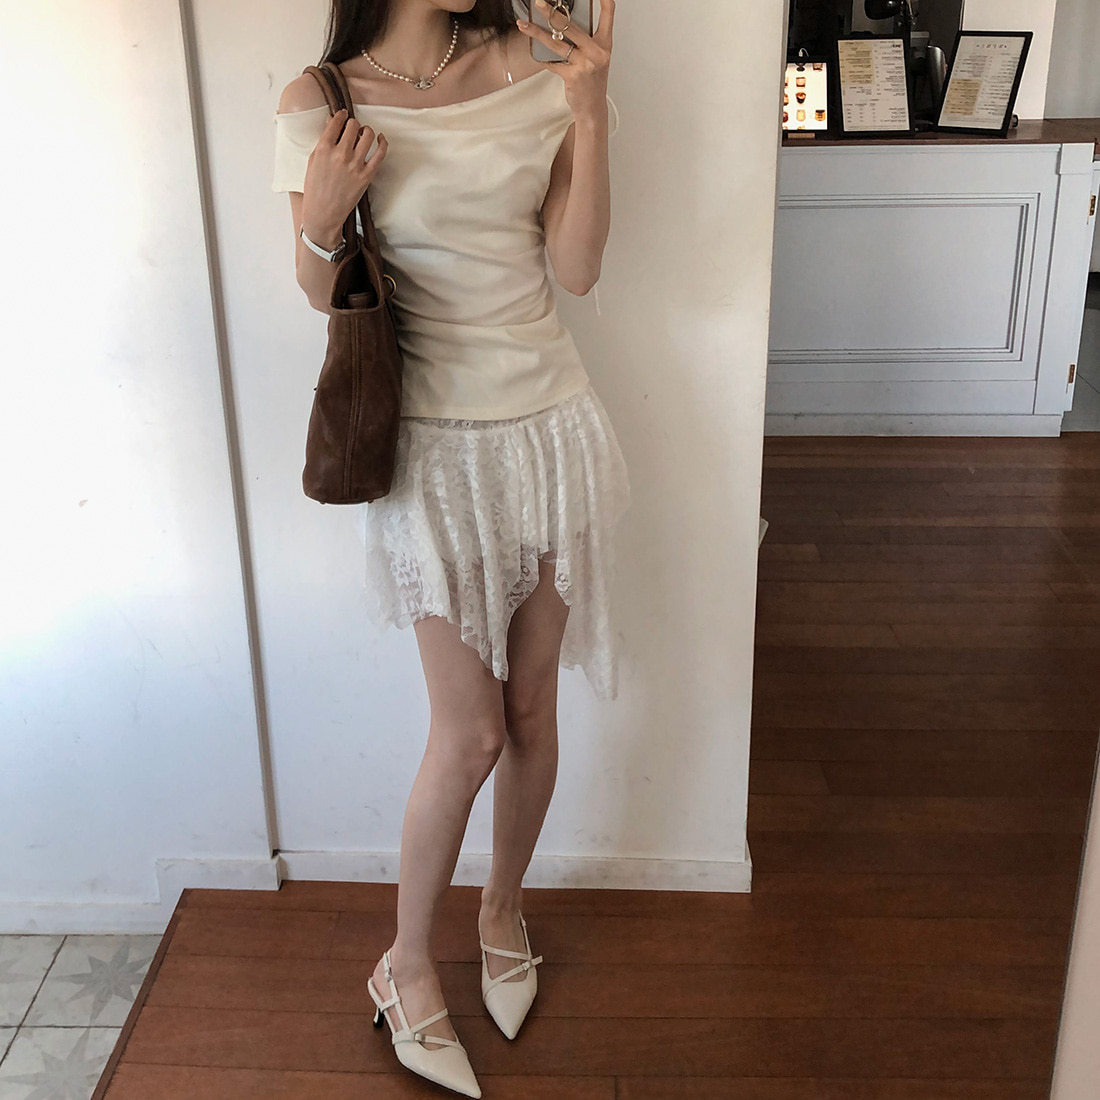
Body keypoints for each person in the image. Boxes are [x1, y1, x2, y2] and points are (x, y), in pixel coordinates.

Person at [272, 1, 626, 1094]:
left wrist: (591, 110)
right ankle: (406, 961)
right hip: (431, 454)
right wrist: (323, 218)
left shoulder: (539, 65)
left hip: (550, 430)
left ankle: (502, 907)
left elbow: (576, 269)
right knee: (468, 732)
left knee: (531, 712)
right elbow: (319, 290)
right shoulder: (320, 100)